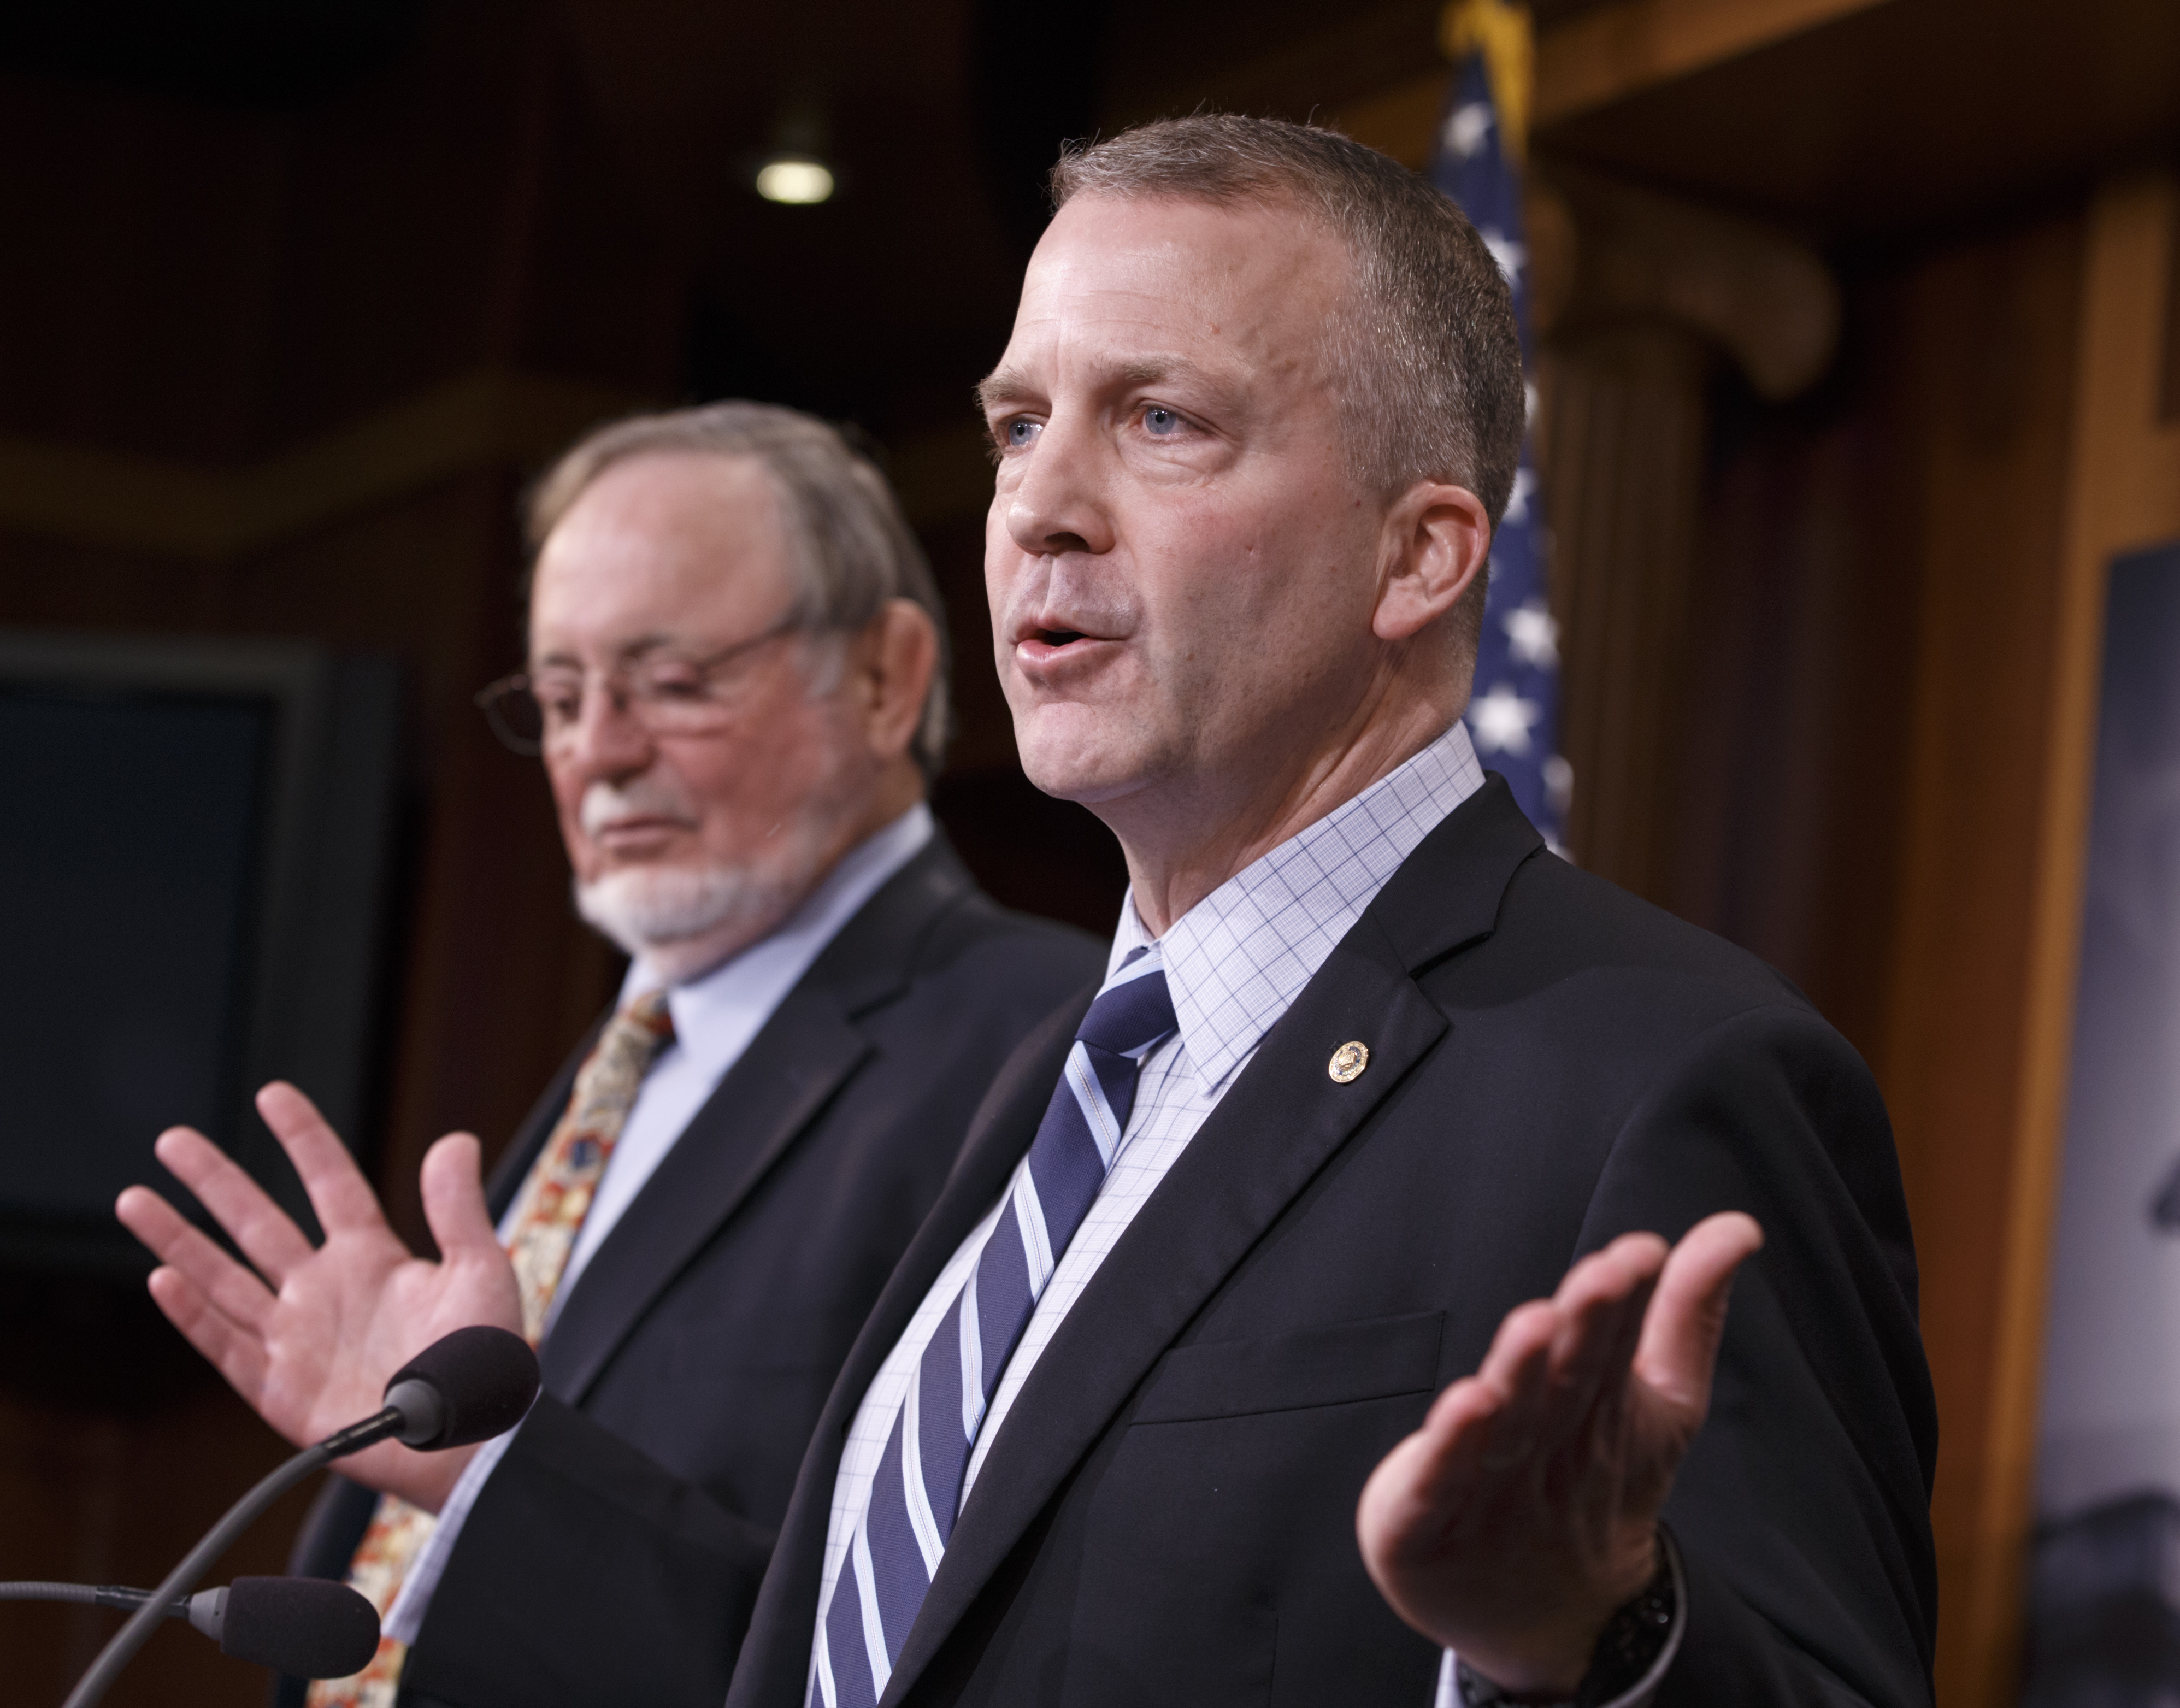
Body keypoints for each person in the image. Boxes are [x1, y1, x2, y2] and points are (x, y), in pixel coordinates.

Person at [700, 117, 1927, 1705]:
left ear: (1417, 557)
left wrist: (1599, 1639)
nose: (1036, 507)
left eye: (1161, 420)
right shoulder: (1050, 1091)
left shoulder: (1667, 1082)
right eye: (1018, 424)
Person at [114, 402, 1105, 1708]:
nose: (600, 752)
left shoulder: (1051, 1042)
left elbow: (943, 1647)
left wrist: (491, 1477)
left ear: (883, 678)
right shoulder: (623, 1057)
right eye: (564, 697)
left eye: (672, 681)